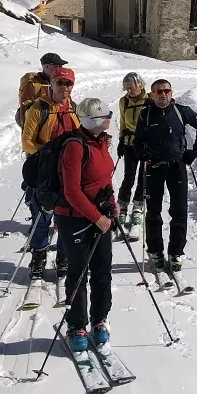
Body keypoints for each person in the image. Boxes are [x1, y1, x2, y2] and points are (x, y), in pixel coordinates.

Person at [56, 97, 118, 352]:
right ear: (94, 120)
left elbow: (105, 181)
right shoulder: (75, 146)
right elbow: (71, 191)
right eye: (106, 115)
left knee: (102, 272)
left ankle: (100, 320)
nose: (110, 119)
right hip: (75, 218)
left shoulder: (101, 141)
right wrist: (97, 218)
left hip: (100, 217)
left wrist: (112, 205)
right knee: (79, 273)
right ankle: (76, 325)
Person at [134, 79, 197, 272]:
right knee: (153, 213)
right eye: (158, 91)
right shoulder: (146, 114)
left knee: (179, 212)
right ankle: (155, 251)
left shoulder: (182, 111)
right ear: (152, 94)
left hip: (177, 166)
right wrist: (142, 153)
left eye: (166, 90)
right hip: (154, 168)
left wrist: (195, 151)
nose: (163, 94)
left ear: (171, 92)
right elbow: (138, 140)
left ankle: (175, 253)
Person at [21, 66, 79, 280]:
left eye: (69, 83)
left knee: (66, 218)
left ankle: (63, 257)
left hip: (68, 172)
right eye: (60, 83)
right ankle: (38, 258)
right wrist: (47, 154)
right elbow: (27, 142)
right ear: (52, 84)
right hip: (45, 172)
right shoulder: (38, 108)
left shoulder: (73, 108)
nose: (65, 87)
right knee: (42, 217)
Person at [116, 73, 149, 232]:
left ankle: (138, 206)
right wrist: (121, 140)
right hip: (130, 143)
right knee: (128, 177)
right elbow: (122, 121)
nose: (128, 91)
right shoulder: (124, 101)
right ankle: (122, 206)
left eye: (131, 87)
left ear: (139, 85)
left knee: (143, 177)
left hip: (145, 144)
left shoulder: (149, 100)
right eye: (126, 88)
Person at [17, 52, 68, 127]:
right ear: (47, 66)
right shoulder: (33, 85)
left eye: (61, 66)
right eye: (58, 66)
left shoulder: (60, 83)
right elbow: (24, 113)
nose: (61, 68)